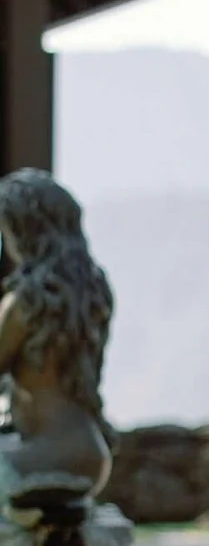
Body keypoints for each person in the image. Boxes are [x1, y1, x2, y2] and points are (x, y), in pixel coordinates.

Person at [0, 172, 113, 500]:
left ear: (24, 230)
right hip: (92, 454)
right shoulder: (93, 296)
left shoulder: (26, 301)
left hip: (39, 459)